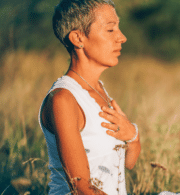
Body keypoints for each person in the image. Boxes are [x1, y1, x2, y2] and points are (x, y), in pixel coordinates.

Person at [39, 0, 140, 194]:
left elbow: (130, 163)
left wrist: (133, 137)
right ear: (78, 38)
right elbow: (82, 188)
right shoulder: (63, 99)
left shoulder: (100, 90)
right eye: (110, 30)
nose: (122, 37)